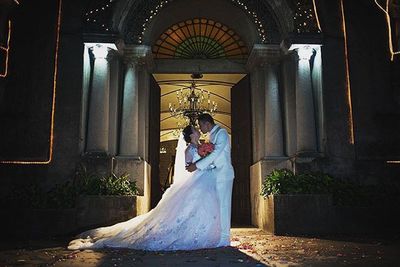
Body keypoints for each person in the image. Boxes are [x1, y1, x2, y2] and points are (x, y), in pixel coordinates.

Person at [68, 125, 221, 251]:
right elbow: (188, 168)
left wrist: (209, 161)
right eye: (195, 129)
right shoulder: (190, 150)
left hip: (204, 181)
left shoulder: (201, 146)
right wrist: (203, 164)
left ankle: (204, 232)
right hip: (195, 181)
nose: (198, 130)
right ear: (191, 134)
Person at [186, 113, 234, 247]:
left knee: (224, 205)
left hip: (224, 174)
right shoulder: (211, 135)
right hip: (214, 174)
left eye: (201, 125)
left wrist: (196, 165)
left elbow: (216, 153)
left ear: (207, 123)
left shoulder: (222, 133)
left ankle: (225, 238)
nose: (200, 128)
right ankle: (217, 234)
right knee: (216, 206)